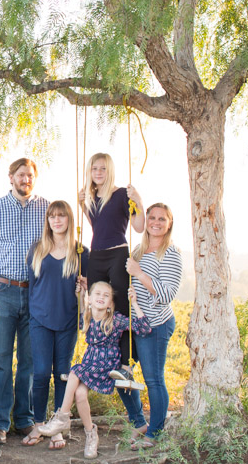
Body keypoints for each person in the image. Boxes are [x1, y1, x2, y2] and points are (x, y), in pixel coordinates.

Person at [0, 158, 50, 445]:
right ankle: (0, 424)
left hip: (36, 293)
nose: (25, 179)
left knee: (30, 360)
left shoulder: (46, 209)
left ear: (34, 178)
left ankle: (25, 421)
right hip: (1, 293)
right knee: (1, 361)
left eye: (30, 175)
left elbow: (63, 245)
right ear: (11, 178)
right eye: (21, 175)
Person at [37, 280, 151, 459]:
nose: (101, 298)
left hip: (106, 367)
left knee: (75, 372)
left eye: (106, 296)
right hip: (90, 365)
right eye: (97, 294)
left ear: (110, 304)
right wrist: (82, 295)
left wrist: (134, 303)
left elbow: (144, 328)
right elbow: (83, 307)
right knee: (80, 395)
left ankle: (62, 417)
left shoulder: (115, 320)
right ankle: (91, 435)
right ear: (90, 299)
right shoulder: (87, 318)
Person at [77, 152, 145, 428]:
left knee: (120, 310)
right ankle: (98, 354)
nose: (99, 171)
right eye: (94, 168)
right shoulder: (90, 198)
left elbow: (139, 227)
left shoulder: (121, 195)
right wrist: (83, 204)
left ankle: (127, 363)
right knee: (97, 309)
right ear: (90, 170)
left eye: (103, 168)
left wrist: (138, 200)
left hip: (118, 254)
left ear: (110, 170)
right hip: (97, 256)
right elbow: (97, 228)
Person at [21, 200, 88, 450]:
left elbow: (86, 292)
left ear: (69, 219)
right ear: (47, 221)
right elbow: (32, 287)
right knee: (39, 374)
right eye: (52, 216)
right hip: (39, 320)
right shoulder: (37, 249)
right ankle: (39, 424)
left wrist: (84, 288)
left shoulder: (81, 252)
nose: (56, 220)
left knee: (61, 375)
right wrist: (32, 316)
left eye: (61, 216)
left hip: (67, 321)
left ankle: (56, 427)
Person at [124, 203, 183, 450]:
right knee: (120, 372)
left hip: (156, 324)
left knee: (153, 379)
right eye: (152, 217)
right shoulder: (138, 249)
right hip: (135, 322)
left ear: (169, 224)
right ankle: (139, 421)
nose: (156, 222)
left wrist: (138, 273)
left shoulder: (171, 252)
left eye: (162, 219)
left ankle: (156, 431)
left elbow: (167, 293)